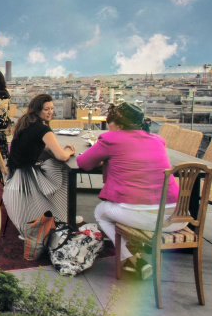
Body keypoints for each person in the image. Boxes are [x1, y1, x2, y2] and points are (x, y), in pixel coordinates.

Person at [76, 102, 181, 280]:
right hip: (177, 218)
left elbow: (83, 163)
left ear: (118, 123)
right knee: (128, 208)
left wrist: (106, 160)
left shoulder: (111, 139)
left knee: (101, 213)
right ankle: (135, 243)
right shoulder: (157, 140)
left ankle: (130, 259)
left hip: (147, 219)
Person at [2, 94, 76, 237]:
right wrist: (68, 151)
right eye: (46, 109)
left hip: (15, 172)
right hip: (26, 177)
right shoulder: (43, 129)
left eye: (52, 109)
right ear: (37, 110)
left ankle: (59, 211)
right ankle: (64, 213)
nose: (50, 112)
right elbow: (61, 156)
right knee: (61, 169)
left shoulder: (26, 123)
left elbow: (36, 147)